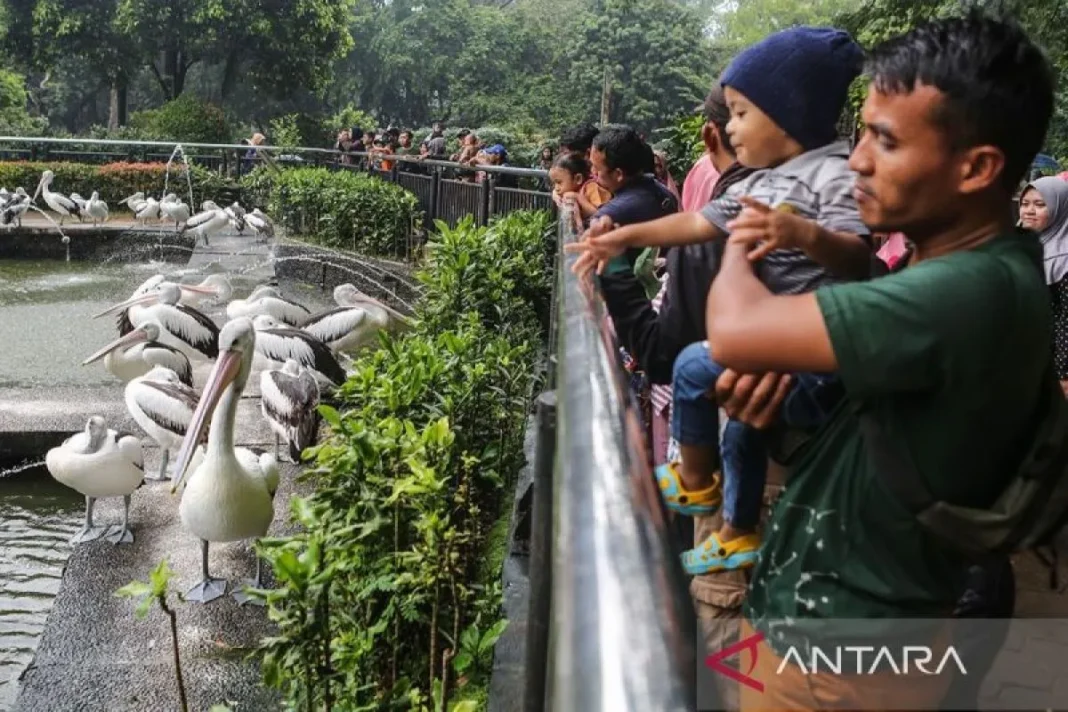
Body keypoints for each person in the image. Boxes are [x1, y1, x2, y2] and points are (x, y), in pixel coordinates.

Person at [702, 14, 1052, 709]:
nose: (857, 160)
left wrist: (744, 230)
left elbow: (734, 333)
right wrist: (777, 420)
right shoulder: (968, 269)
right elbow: (881, 440)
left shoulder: (963, 289)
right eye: (861, 131)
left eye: (885, 140)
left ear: (977, 168)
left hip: (840, 663)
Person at [572, 27, 870, 575]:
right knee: (741, 432)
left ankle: (695, 478)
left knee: (691, 366)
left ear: (791, 115)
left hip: (813, 359)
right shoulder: (768, 183)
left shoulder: (834, 177)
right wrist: (622, 238)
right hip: (776, 352)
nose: (731, 129)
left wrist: (805, 237)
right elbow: (696, 223)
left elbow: (859, 260)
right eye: (729, 115)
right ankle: (732, 525)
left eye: (741, 114)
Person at [558, 124, 612, 210]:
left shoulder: (602, 179)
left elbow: (603, 216)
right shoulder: (583, 174)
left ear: (588, 153)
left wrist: (578, 198)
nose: (564, 160)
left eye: (567, 155)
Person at [549, 153, 598, 221]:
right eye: (554, 183)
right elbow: (555, 191)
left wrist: (578, 197)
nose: (556, 188)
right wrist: (554, 194)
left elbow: (599, 214)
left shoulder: (592, 188)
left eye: (559, 182)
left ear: (578, 179)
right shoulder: (571, 188)